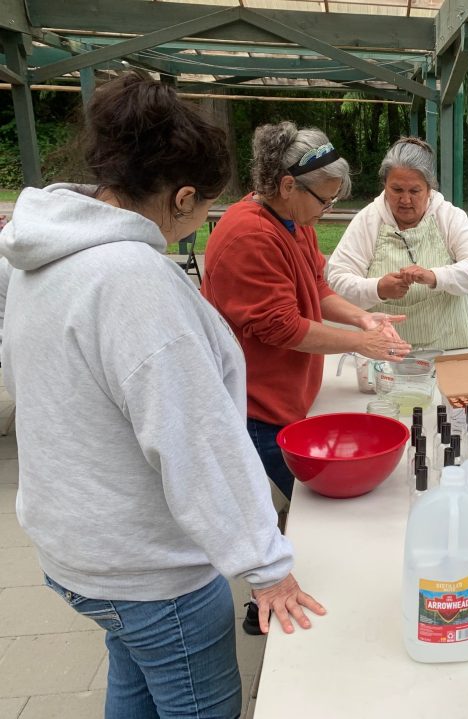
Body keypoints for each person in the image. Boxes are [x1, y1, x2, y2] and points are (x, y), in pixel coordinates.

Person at [0, 74, 324, 718]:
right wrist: (267, 566)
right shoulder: (131, 281)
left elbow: (29, 381)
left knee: (134, 678)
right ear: (181, 197)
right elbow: (196, 441)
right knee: (199, 706)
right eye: (205, 205)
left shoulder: (38, 254)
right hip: (149, 568)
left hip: (78, 550)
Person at [201, 122, 411, 505]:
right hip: (257, 411)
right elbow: (282, 328)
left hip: (289, 401)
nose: (328, 210)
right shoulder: (250, 236)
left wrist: (362, 319)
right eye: (325, 200)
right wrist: (361, 343)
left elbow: (316, 287)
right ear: (287, 186)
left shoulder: (296, 222)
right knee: (294, 509)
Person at [326, 137, 468, 349]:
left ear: (430, 188)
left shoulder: (448, 217)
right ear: (384, 185)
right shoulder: (368, 221)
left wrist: (435, 277)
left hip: (447, 345)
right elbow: (337, 279)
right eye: (396, 190)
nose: (405, 200)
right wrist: (378, 288)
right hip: (384, 351)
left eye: (414, 191)